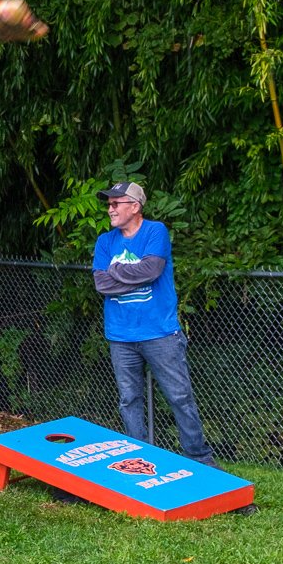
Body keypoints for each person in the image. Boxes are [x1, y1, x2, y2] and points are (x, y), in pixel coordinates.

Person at [92, 181, 218, 467]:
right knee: (129, 400)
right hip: (120, 335)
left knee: (179, 397)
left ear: (135, 206)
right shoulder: (105, 241)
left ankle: (200, 460)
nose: (110, 209)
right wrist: (127, 274)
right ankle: (139, 459)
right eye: (108, 204)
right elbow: (101, 283)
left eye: (116, 203)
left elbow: (151, 271)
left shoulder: (155, 231)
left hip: (160, 333)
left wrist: (117, 270)